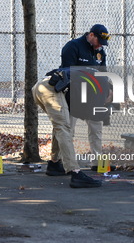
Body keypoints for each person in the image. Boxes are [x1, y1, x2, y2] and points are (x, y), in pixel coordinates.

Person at [32, 67, 105, 188]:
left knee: (60, 126)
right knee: (63, 128)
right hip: (51, 88)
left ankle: (54, 164)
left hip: (41, 87)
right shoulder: (98, 83)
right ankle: (75, 172)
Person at [60, 24, 112, 171]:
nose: (100, 46)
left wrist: (108, 89)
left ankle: (97, 162)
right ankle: (64, 162)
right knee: (67, 129)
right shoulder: (73, 46)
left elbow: (103, 72)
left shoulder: (100, 51)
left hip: (93, 97)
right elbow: (67, 72)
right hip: (74, 95)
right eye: (99, 42)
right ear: (91, 35)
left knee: (96, 129)